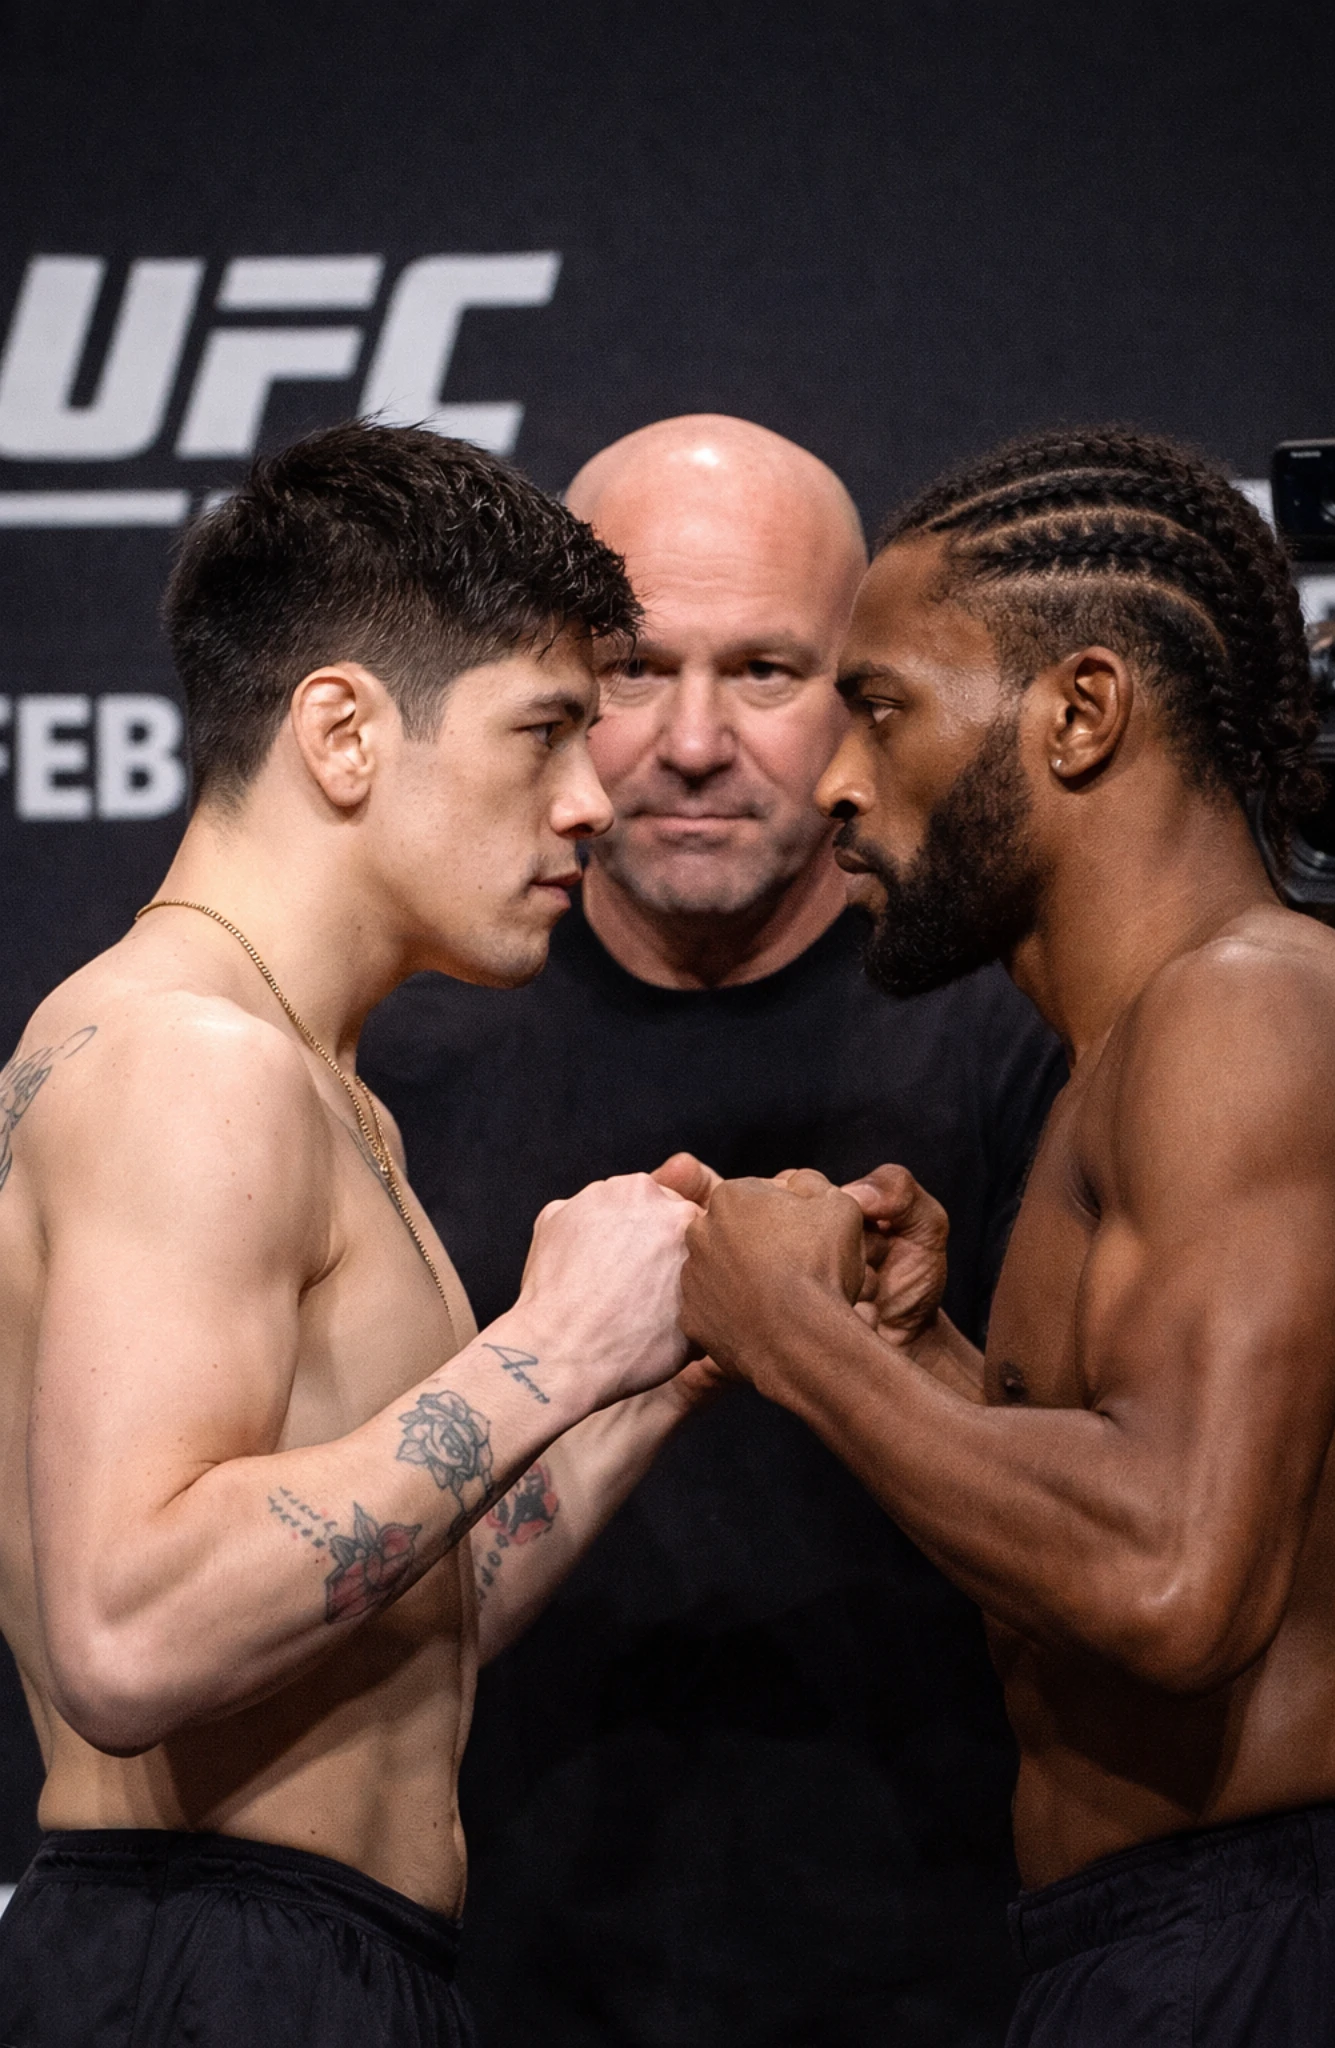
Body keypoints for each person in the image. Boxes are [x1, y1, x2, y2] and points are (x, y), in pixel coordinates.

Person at [0, 420, 720, 2048]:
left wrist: (651, 1372)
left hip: (305, 1960)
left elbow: (379, 1602)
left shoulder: (310, 1083)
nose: (596, 799)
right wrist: (547, 1351)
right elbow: (126, 1632)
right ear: (341, 731)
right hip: (208, 1967)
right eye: (544, 731)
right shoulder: (196, 1064)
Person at [361, 414, 1066, 2045]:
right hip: (490, 1978)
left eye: (764, 670)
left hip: (947, 1976)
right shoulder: (403, 1047)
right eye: (630, 670)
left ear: (864, 689)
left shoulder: (1011, 1036)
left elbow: (1114, 1534)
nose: (689, 742)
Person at [679, 427, 1335, 2045]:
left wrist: (798, 1345)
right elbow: (1149, 1499)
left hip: (1262, 1941)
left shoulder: (1242, 1009)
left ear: (1081, 713)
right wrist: (922, 1359)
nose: (835, 778)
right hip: (1166, 1936)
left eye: (886, 706)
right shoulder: (1132, 1053)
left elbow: (1177, 1583)